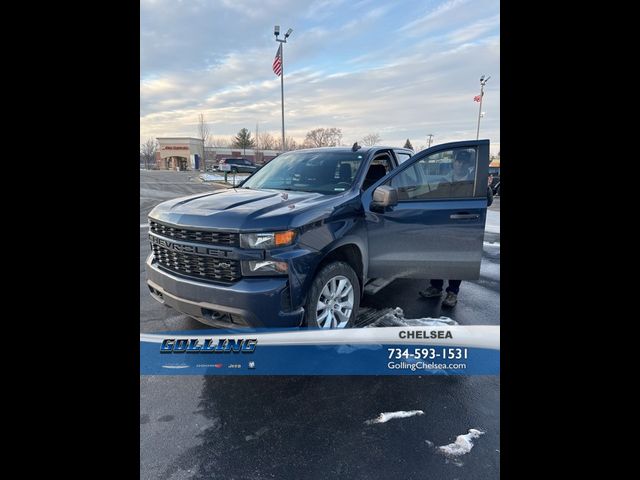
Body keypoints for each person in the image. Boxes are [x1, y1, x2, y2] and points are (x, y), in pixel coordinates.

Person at [419, 150, 493, 308]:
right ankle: (436, 287)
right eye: (456, 161)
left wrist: (486, 187)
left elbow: (487, 202)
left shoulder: (475, 182)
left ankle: (452, 292)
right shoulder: (445, 181)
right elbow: (436, 200)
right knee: (437, 257)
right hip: (443, 226)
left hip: (462, 226)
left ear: (467, 164)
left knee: (456, 260)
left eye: (461, 162)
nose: (458, 164)